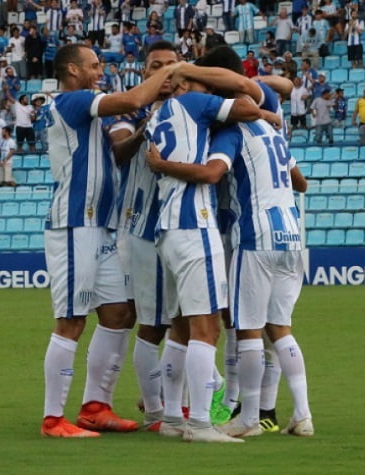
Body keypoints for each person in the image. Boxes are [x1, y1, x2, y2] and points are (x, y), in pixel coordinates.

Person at [39, 43, 181, 439]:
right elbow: (135, 97)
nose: (100, 70)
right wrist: (172, 71)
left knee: (119, 314)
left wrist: (143, 131)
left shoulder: (85, 112)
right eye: (94, 65)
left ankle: (95, 407)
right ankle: (53, 419)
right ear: (72, 70)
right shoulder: (73, 100)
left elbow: (117, 154)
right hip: (73, 224)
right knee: (70, 320)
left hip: (100, 225)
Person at [143, 52, 278, 443]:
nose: (209, 87)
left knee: (179, 328)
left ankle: (171, 417)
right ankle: (201, 423)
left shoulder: (160, 115)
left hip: (165, 228)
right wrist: (265, 114)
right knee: (207, 327)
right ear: (186, 83)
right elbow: (246, 103)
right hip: (194, 223)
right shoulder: (196, 101)